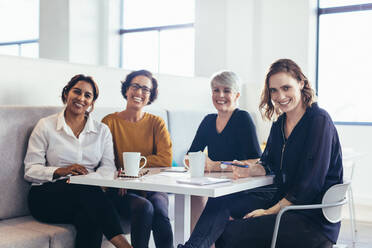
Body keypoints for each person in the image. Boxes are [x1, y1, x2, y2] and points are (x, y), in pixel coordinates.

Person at [215, 59, 344, 248]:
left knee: (229, 233)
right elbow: (268, 163)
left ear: (301, 83)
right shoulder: (279, 124)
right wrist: (249, 169)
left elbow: (310, 185)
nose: (279, 96)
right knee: (223, 207)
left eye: (286, 88)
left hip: (313, 220)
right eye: (273, 90)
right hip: (286, 208)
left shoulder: (319, 120)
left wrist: (269, 212)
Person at [24, 74, 131, 248]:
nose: (81, 98)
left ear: (92, 103)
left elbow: (107, 168)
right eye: (77, 92)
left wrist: (85, 181)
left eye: (87, 95)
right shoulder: (45, 126)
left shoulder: (102, 131)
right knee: (89, 196)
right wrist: (61, 171)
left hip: (87, 195)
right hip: (46, 197)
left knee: (90, 217)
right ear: (66, 93)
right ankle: (124, 246)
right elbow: (30, 170)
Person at [102, 70, 173, 248]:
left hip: (153, 186)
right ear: (126, 89)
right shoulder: (109, 122)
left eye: (145, 89)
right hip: (121, 189)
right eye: (135, 86)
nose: (139, 92)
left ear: (150, 96)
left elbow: (165, 159)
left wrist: (132, 167)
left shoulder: (157, 123)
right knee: (145, 207)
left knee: (159, 208)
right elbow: (104, 161)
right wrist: (122, 178)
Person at [185, 71, 262, 232]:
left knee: (212, 202)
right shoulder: (208, 120)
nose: (220, 95)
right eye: (216, 90)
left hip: (239, 186)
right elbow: (189, 155)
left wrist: (215, 166)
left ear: (237, 95)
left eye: (226, 90)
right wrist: (197, 163)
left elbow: (255, 160)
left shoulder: (243, 118)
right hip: (213, 183)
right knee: (195, 195)